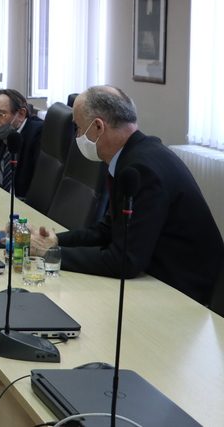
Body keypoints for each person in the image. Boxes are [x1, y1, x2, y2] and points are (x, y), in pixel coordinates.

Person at [32, 85, 224, 305]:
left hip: (188, 296)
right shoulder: (136, 154)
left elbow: (124, 262)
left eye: (78, 127)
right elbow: (109, 229)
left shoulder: (142, 170)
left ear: (98, 126)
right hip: (158, 279)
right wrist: (55, 241)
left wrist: (51, 254)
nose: (77, 136)